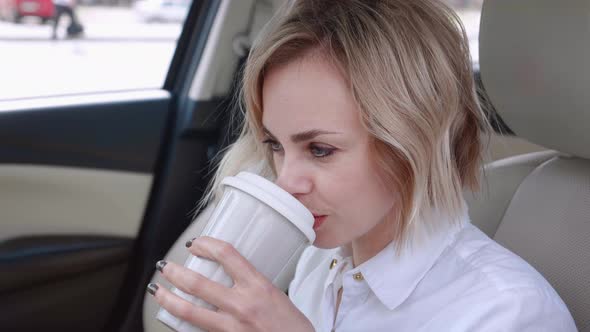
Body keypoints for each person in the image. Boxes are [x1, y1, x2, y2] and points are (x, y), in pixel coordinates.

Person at [146, 0, 577, 331]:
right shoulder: (322, 263)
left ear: (414, 140)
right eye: (275, 146)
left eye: (319, 150)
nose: (286, 181)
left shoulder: (510, 312)